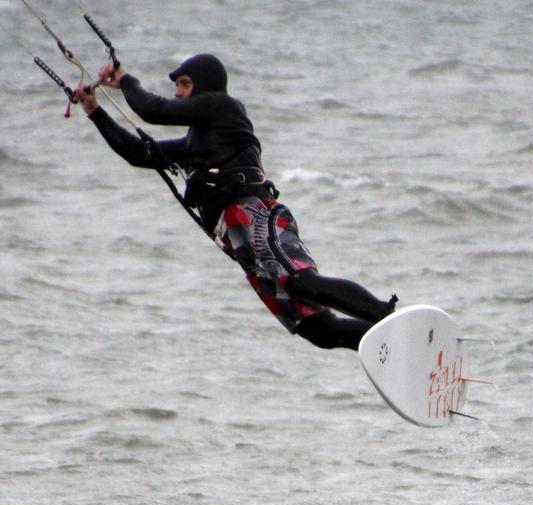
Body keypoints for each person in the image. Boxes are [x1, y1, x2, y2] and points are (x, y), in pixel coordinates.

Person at [74, 54, 397, 350]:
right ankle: (388, 349)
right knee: (317, 329)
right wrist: (95, 111)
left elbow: (153, 110)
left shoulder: (223, 107)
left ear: (205, 86)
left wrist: (125, 80)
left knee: (302, 282)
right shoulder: (192, 145)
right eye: (176, 87)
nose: (178, 94)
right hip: (236, 239)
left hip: (256, 214)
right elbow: (139, 153)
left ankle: (387, 317)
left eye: (184, 85)